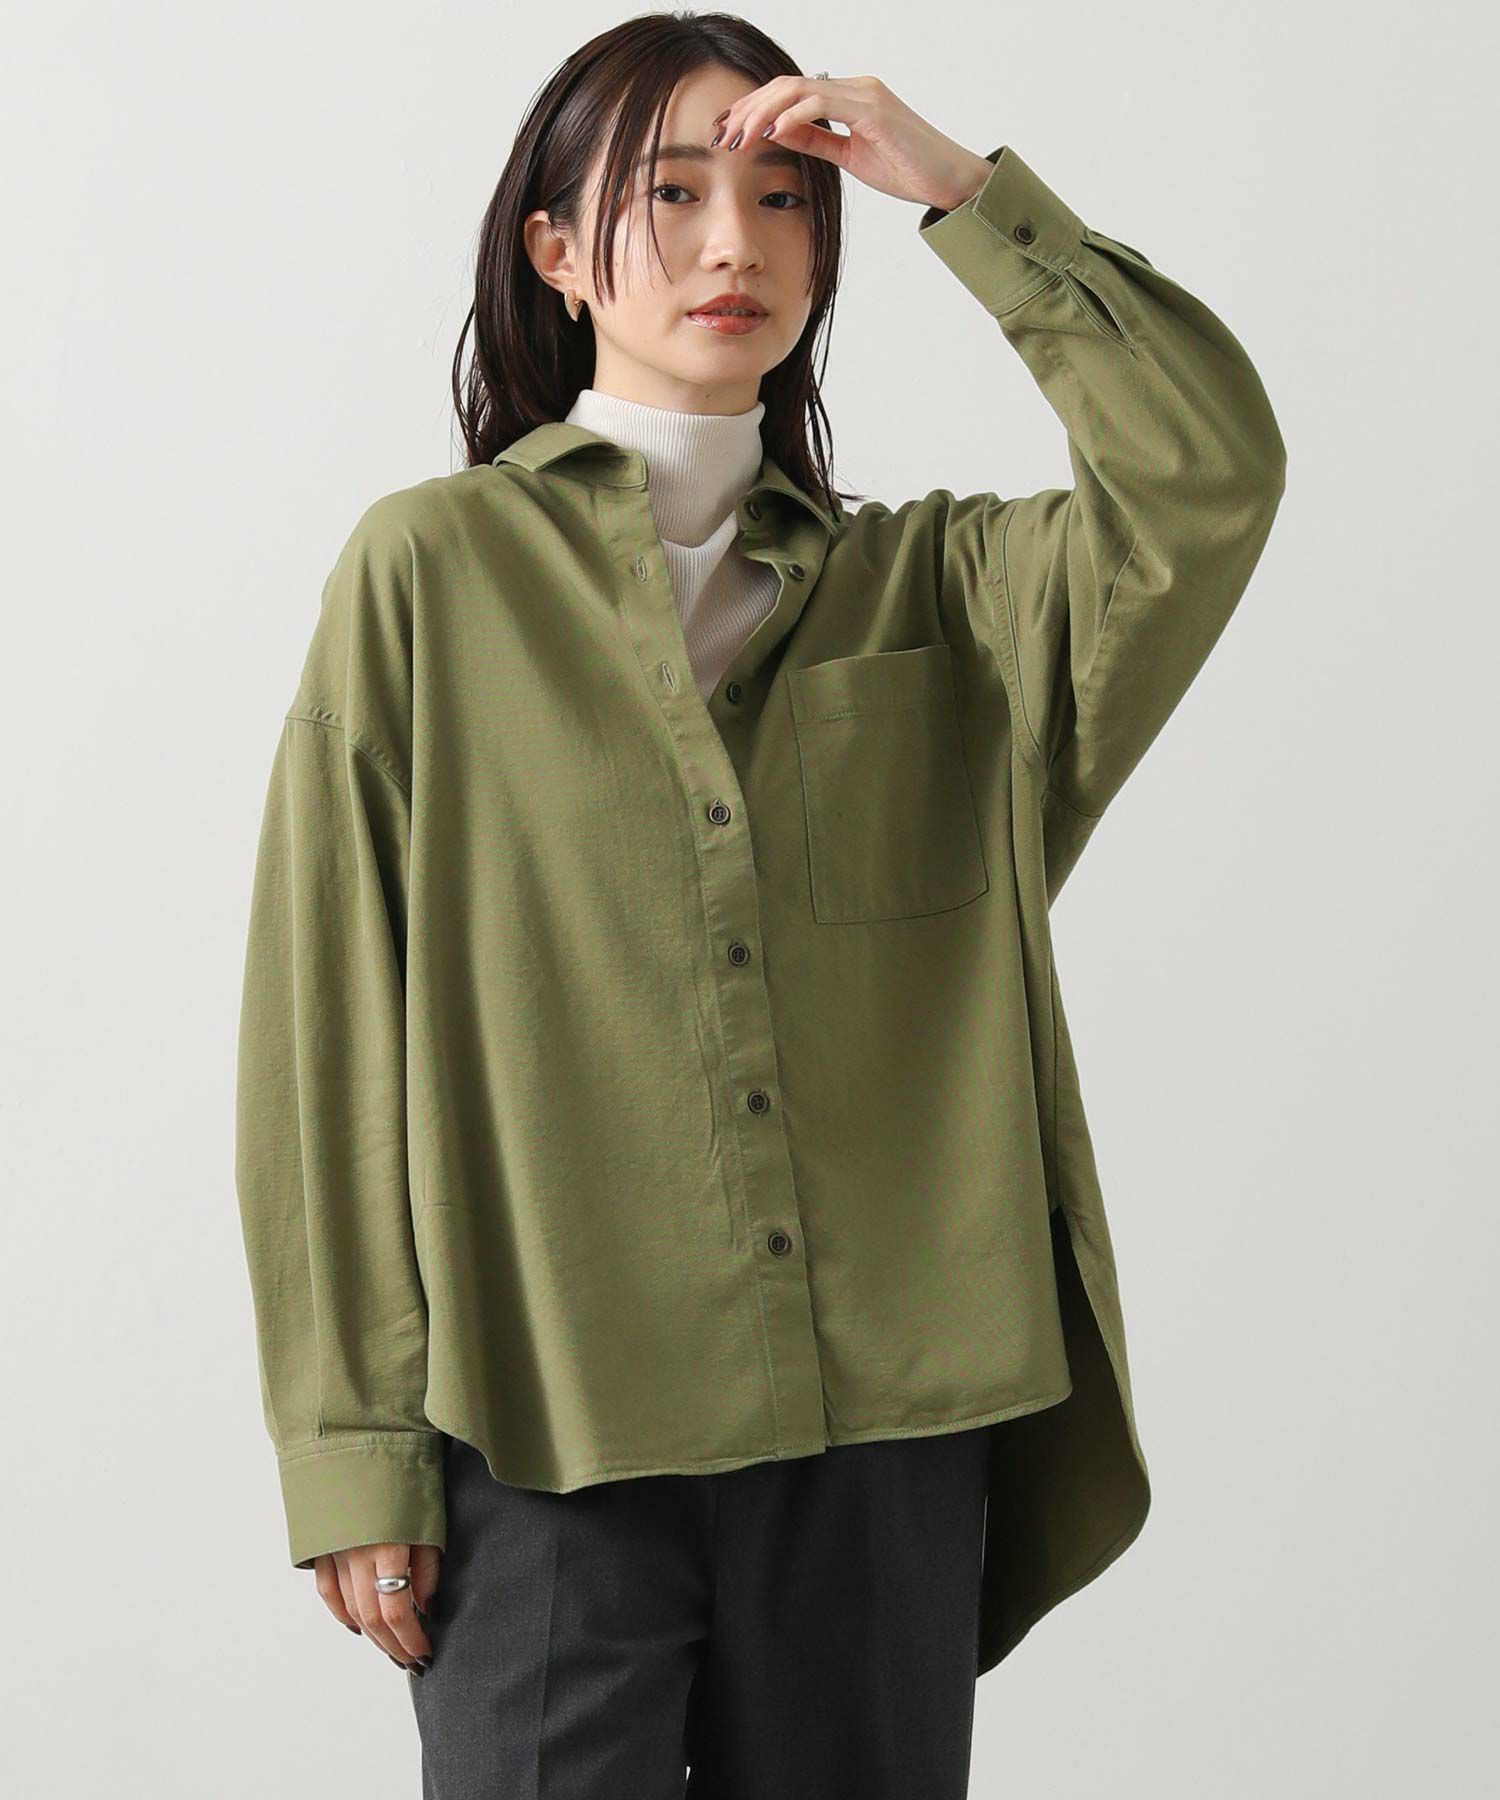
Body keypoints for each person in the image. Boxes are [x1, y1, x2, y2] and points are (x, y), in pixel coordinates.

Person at [233, 11, 1286, 1797]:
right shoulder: (433, 572)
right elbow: (328, 1030)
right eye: (671, 193)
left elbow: (1207, 478)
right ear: (555, 252)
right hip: (545, 1438)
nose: (737, 242)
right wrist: (353, 1448)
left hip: (887, 1446)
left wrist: (963, 194)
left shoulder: (944, 594)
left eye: (787, 198)